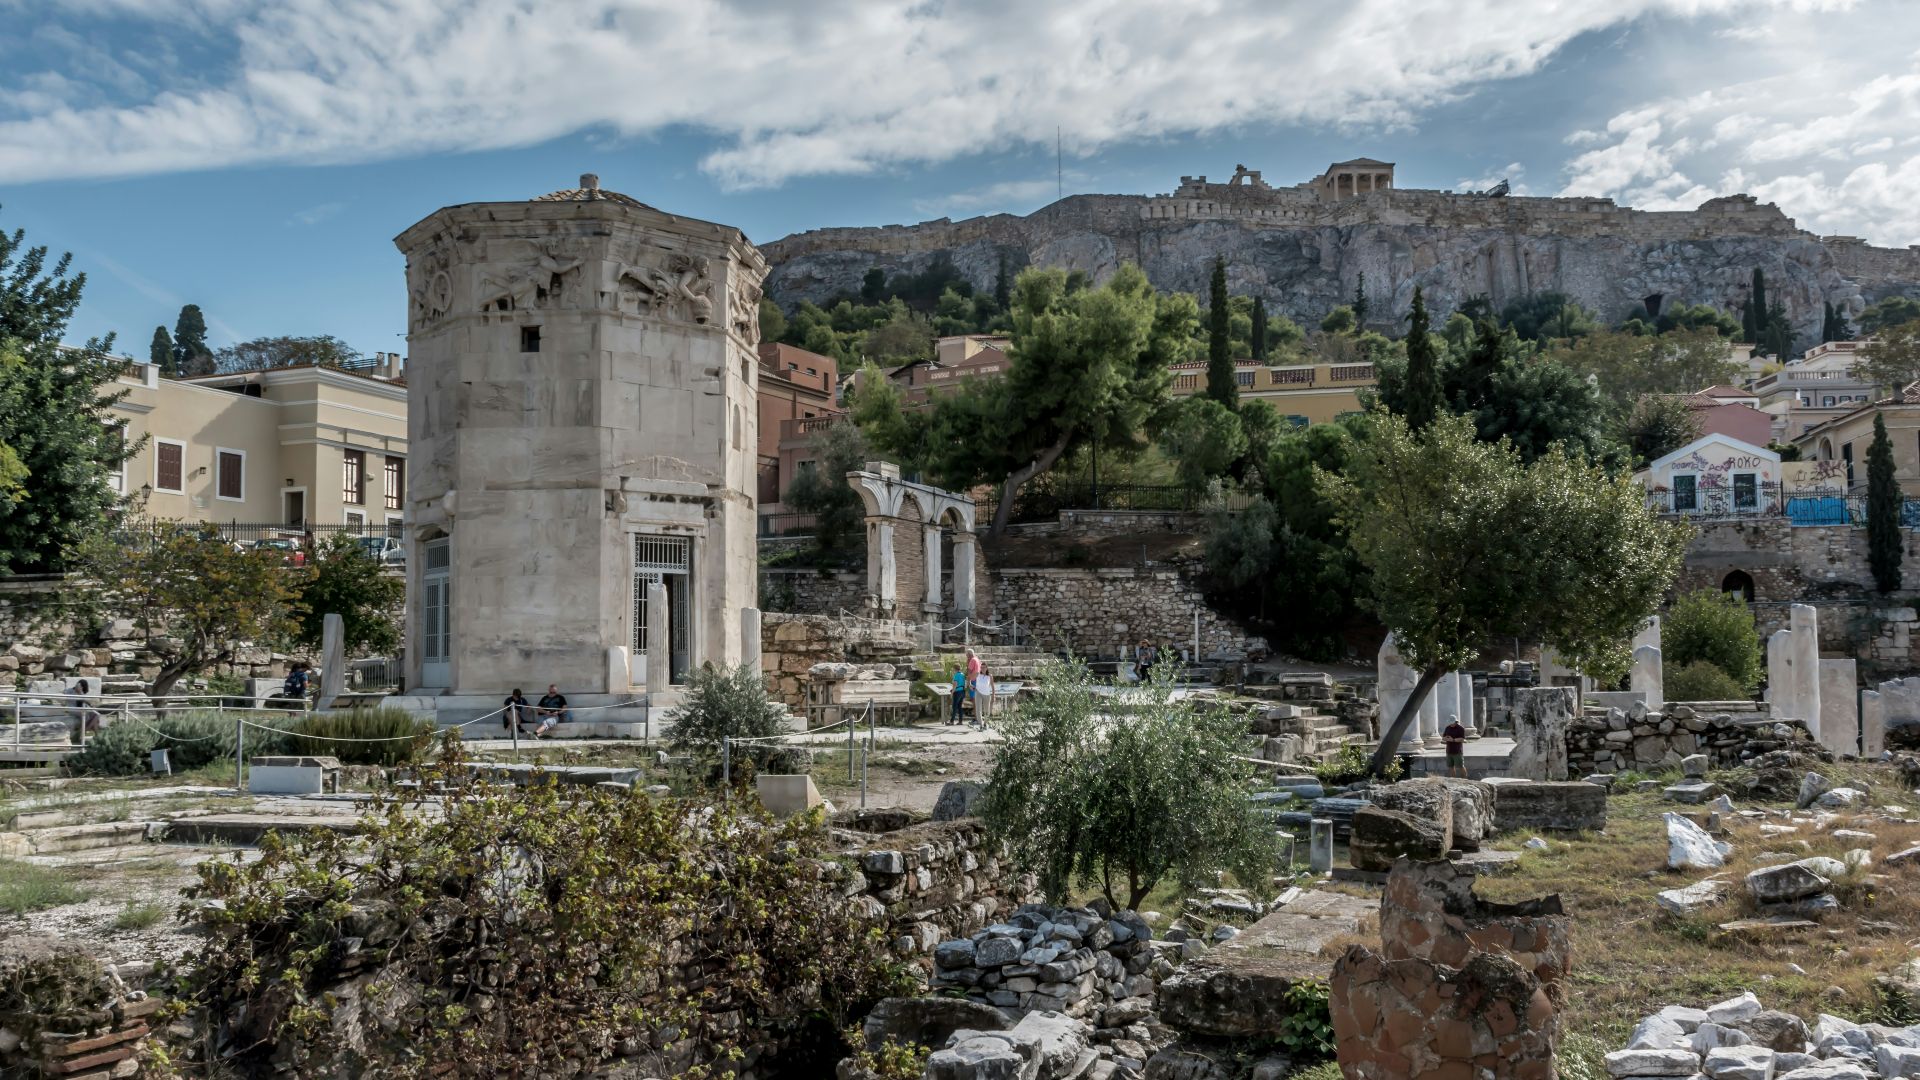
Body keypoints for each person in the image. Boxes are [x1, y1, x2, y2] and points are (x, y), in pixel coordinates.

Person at [1443, 713, 1469, 779]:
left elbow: (1462, 739)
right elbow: (1443, 737)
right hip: (1449, 751)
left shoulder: (1460, 728)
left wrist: (1453, 740)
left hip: (1457, 751)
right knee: (1451, 766)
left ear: (1456, 721)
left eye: (1453, 722)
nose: (1451, 724)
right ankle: (1453, 780)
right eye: (1450, 722)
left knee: (1460, 766)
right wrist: (1446, 738)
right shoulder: (1447, 728)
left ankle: (1464, 780)